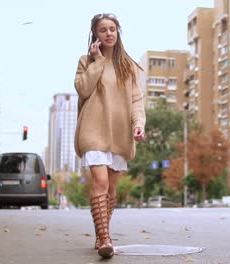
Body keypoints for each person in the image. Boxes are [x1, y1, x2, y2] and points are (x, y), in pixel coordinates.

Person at [74, 13, 146, 258]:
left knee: (112, 190)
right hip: (92, 131)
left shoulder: (127, 66)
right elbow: (83, 89)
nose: (108, 33)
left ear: (118, 32)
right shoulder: (86, 61)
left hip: (119, 134)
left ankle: (101, 232)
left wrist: (139, 124)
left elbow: (136, 100)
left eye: (112, 29)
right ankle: (105, 238)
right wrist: (97, 61)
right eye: (103, 30)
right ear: (96, 35)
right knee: (101, 183)